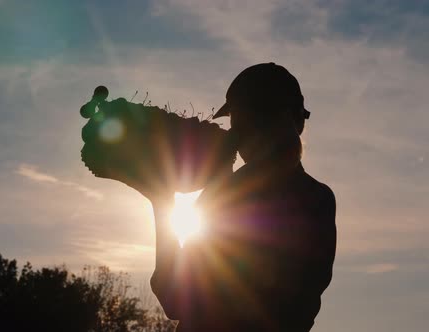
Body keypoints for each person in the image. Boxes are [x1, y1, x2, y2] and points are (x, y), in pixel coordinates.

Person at [144, 63, 337, 331]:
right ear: (299, 121)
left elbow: (176, 296)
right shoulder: (318, 199)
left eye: (237, 122)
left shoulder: (227, 195)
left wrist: (160, 196)